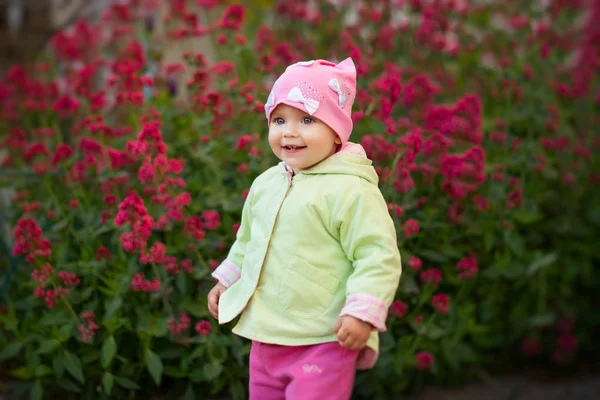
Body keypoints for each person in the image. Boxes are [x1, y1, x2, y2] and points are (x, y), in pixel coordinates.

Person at [207, 57, 402, 399]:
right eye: (279, 119)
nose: (290, 132)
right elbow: (248, 239)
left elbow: (377, 254)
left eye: (308, 119)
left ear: (337, 131)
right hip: (268, 335)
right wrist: (229, 279)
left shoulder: (350, 190)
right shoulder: (266, 184)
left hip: (324, 337)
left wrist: (361, 313)